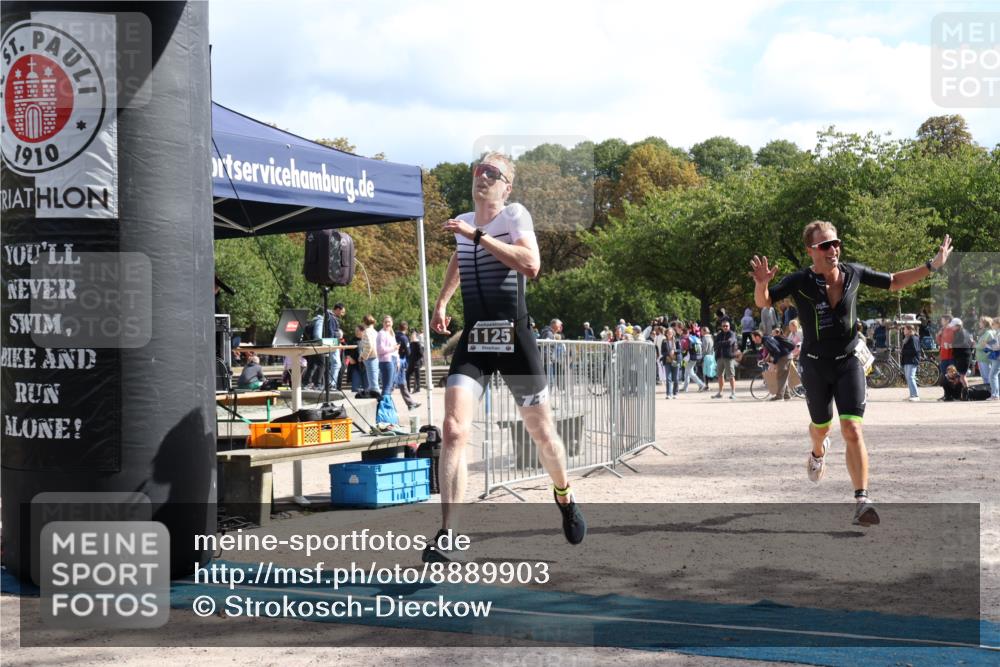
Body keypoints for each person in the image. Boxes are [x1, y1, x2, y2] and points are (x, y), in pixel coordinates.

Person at [428, 152, 585, 560]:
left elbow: (531, 264)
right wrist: (442, 301)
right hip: (476, 339)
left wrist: (477, 236)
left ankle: (564, 496)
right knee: (453, 429)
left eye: (492, 172)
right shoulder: (465, 222)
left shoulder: (514, 215)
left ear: (506, 186)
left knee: (542, 433)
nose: (482, 176)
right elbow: (458, 258)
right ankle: (448, 533)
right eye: (478, 169)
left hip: (514, 338)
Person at [751, 220, 952, 526]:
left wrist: (931, 266)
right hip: (815, 364)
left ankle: (862, 500)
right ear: (811, 251)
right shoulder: (800, 280)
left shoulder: (853, 273)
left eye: (836, 243)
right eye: (825, 245)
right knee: (821, 428)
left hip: (849, 361)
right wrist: (761, 283)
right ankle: (817, 452)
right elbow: (764, 301)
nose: (833, 249)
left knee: (852, 429)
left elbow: (894, 281)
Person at [751, 329, 796, 400]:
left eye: (753, 338)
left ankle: (779, 396)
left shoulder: (766, 341)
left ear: (757, 337)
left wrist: (774, 363)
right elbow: (771, 351)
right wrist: (766, 359)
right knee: (783, 376)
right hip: (786, 356)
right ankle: (786, 395)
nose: (753, 340)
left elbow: (777, 351)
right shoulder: (766, 340)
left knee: (781, 377)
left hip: (784, 357)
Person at [712, 320, 739, 399]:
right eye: (723, 326)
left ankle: (733, 393)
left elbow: (730, 342)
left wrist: (720, 343)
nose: (725, 327)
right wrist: (723, 343)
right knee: (720, 375)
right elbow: (715, 344)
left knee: (731, 376)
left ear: (729, 326)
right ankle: (720, 392)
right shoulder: (719, 335)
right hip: (719, 357)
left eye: (726, 326)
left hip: (728, 357)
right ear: (721, 327)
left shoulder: (732, 334)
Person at [900, 324, 922, 402]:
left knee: (911, 377)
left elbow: (915, 350)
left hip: (912, 360)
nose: (903, 331)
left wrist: (903, 351)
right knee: (908, 378)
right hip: (907, 360)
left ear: (910, 330)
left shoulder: (913, 338)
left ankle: (915, 395)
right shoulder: (907, 338)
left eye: (905, 329)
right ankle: (912, 394)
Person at [949, 318, 973, 388]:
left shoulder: (962, 332)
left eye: (953, 326)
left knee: (962, 376)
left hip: (963, 357)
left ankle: (967, 391)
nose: (952, 327)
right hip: (960, 356)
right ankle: (963, 391)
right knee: (960, 376)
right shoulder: (958, 332)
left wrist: (951, 345)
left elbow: (963, 344)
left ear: (958, 326)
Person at [360, 314, 380, 393]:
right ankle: (373, 390)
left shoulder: (366, 332)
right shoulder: (375, 332)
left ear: (364, 322)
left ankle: (374, 392)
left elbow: (369, 346)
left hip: (370, 356)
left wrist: (363, 356)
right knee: (374, 375)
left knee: (372, 379)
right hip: (376, 355)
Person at [982, 317, 1000, 400]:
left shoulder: (998, 333)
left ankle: (995, 395)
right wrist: (988, 344)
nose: (991, 325)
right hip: (996, 356)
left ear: (998, 324)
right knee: (996, 375)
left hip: (998, 357)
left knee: (992, 375)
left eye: (993, 324)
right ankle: (996, 394)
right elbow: (994, 343)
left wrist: (987, 345)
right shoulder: (997, 333)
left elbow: (997, 347)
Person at [660, 327, 680, 399]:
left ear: (673, 333)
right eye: (668, 333)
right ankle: (668, 394)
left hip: (675, 360)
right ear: (666, 334)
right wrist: (668, 353)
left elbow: (680, 350)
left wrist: (674, 351)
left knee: (676, 378)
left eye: (671, 333)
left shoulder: (677, 340)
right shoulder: (664, 341)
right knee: (668, 378)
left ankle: (675, 393)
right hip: (667, 361)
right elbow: (662, 352)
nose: (669, 334)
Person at [407, 327, 425, 393]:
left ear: (415, 336)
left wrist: (417, 359)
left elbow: (421, 353)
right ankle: (409, 389)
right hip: (411, 362)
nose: (411, 336)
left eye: (413, 335)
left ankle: (417, 388)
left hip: (416, 362)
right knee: (408, 375)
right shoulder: (411, 343)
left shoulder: (417, 343)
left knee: (417, 376)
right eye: (411, 335)